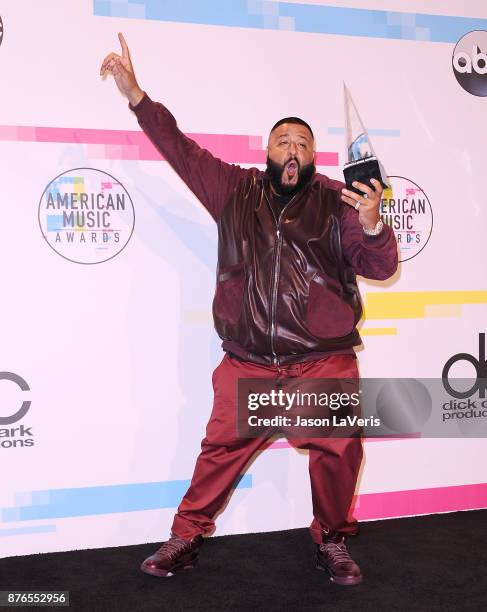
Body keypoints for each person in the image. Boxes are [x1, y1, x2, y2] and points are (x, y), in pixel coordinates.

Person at [100, 33, 398, 586]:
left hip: (321, 361)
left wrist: (375, 222)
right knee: (218, 454)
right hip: (249, 361)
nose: (292, 149)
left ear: (314, 156)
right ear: (267, 153)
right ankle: (185, 537)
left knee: (337, 454)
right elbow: (181, 150)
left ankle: (332, 539)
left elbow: (378, 266)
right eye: (282, 141)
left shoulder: (340, 200)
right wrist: (137, 96)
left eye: (302, 144)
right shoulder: (234, 190)